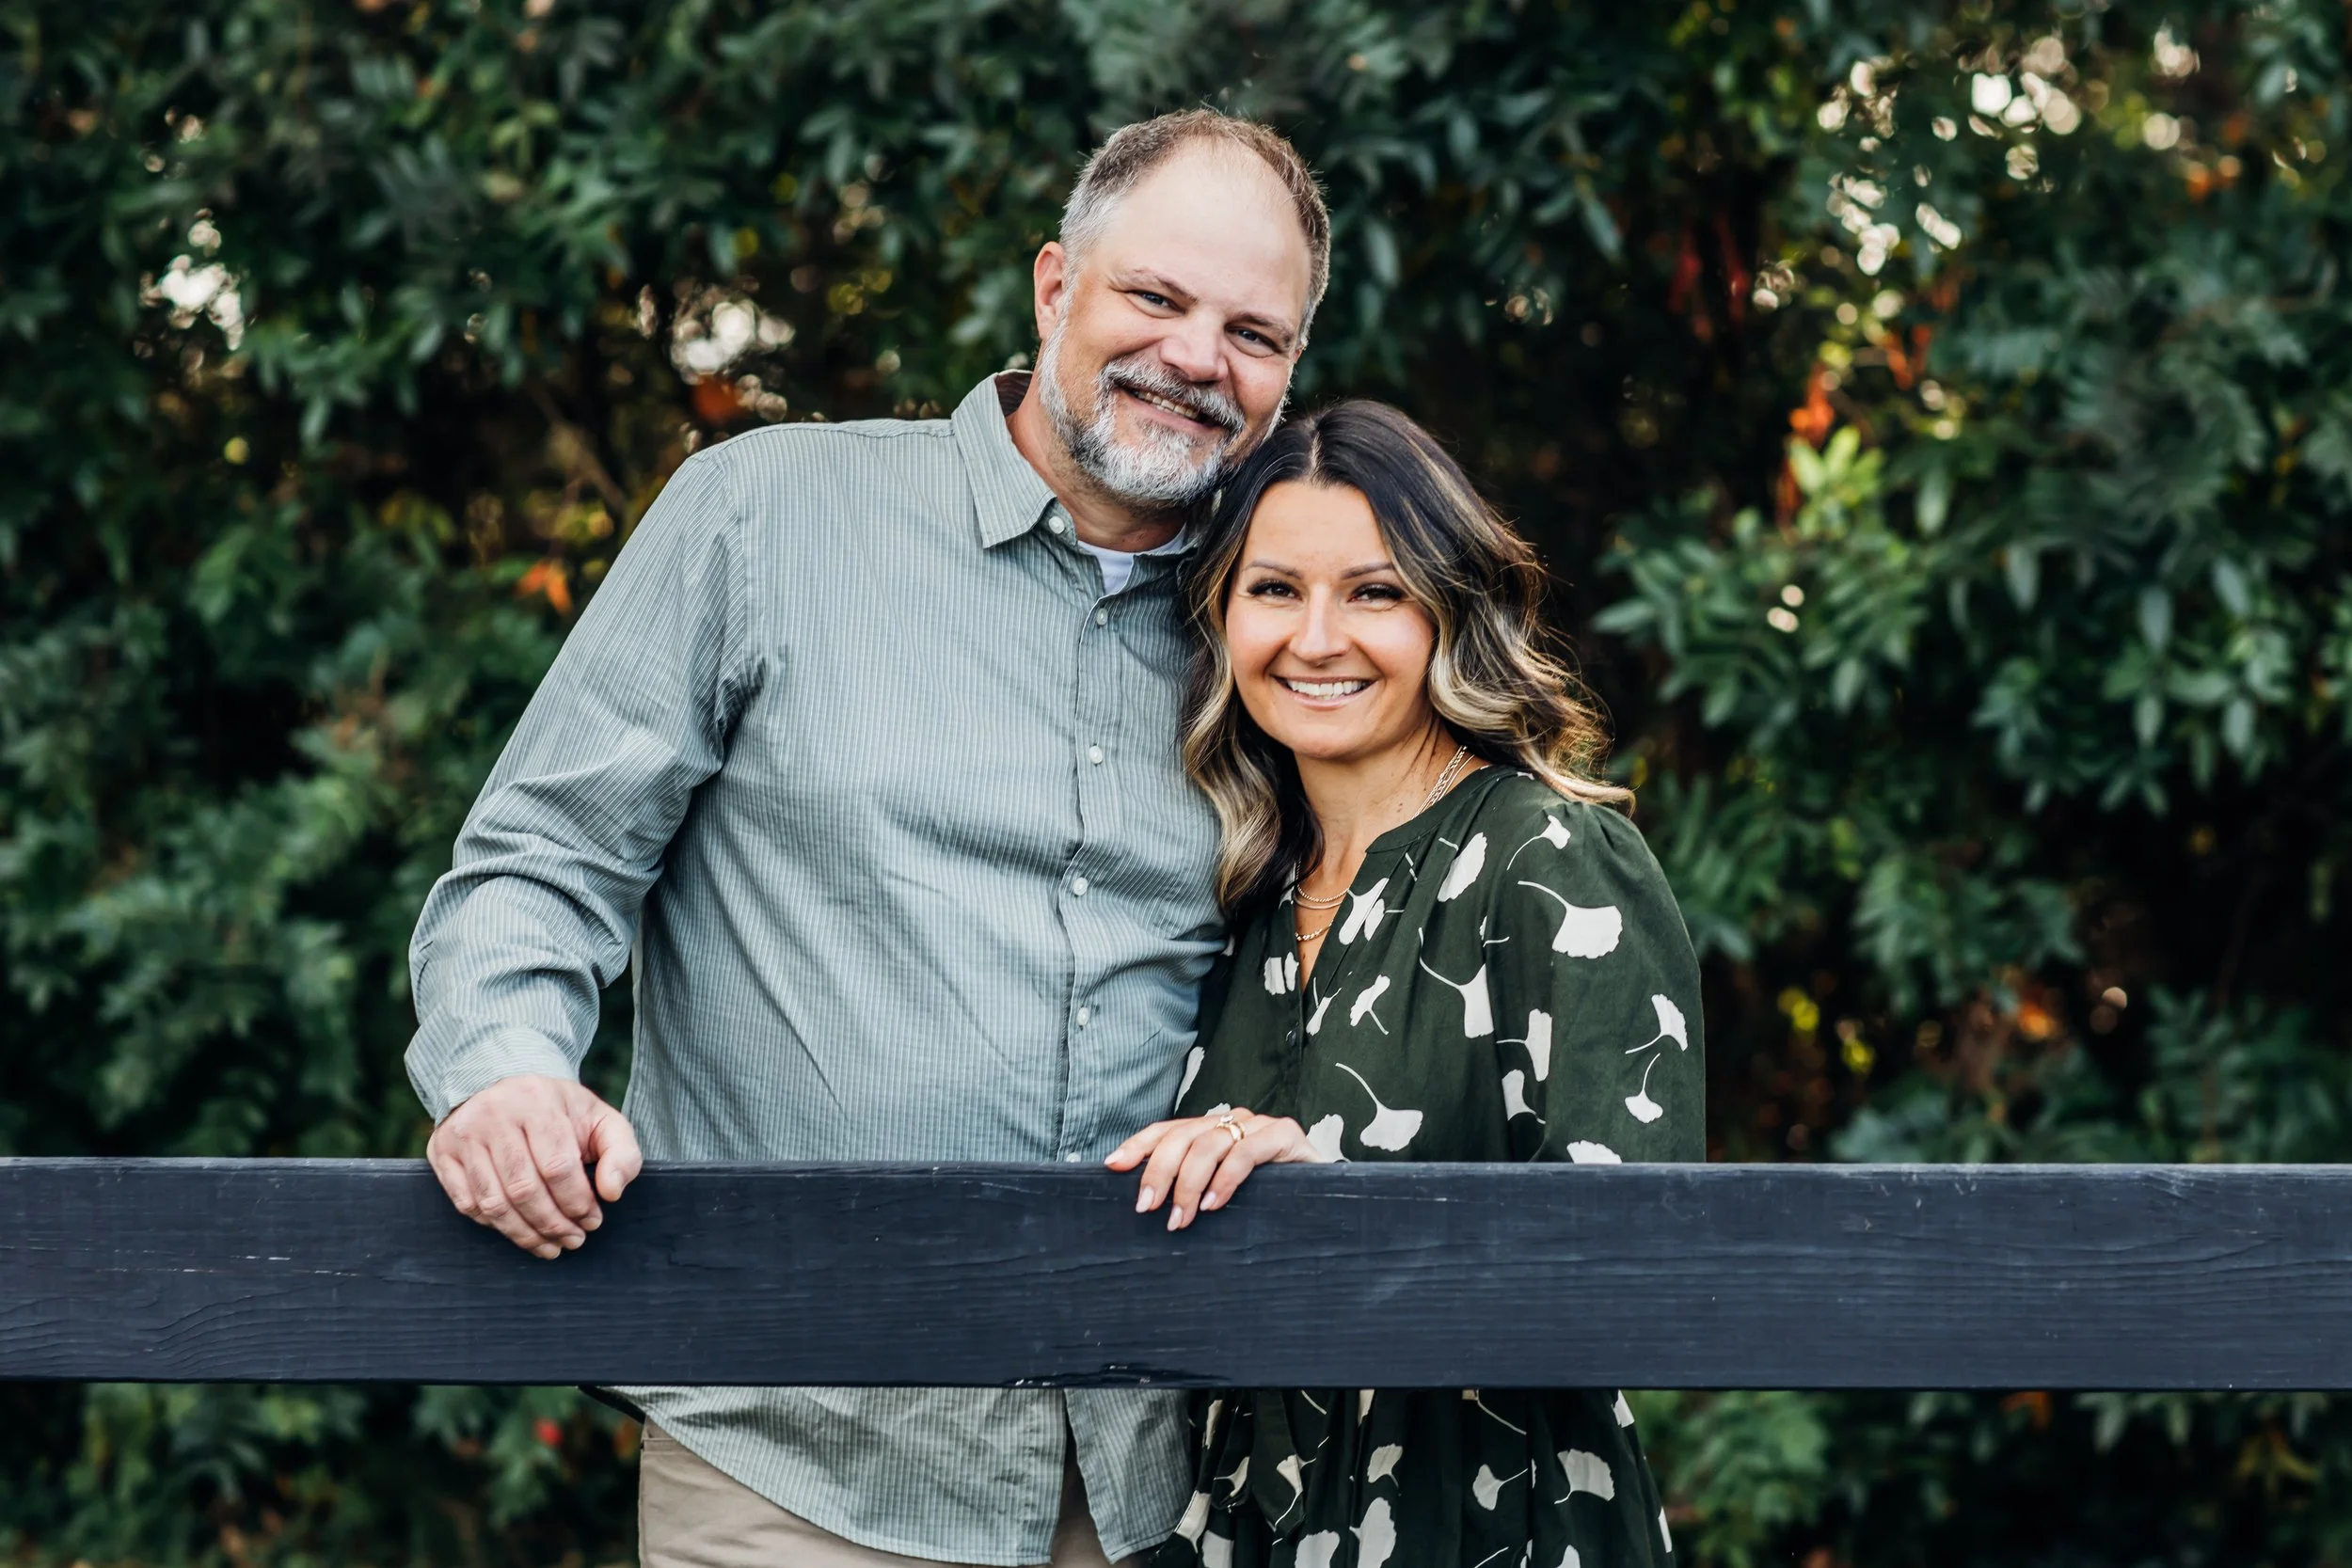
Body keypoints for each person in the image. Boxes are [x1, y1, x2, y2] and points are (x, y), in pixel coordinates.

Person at [404, 109, 1329, 1568]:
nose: (1198, 356)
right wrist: (506, 1072)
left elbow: (1368, 935)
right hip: (794, 1465)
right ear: (1054, 287)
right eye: (1157, 297)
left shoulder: (1286, 623)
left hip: (1156, 1478)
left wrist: (1311, 1116)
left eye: (1252, 331)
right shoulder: (764, 514)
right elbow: (542, 858)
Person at [1105, 401, 1702, 1567]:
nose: (1316, 637)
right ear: (1222, 615)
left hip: (1489, 1518)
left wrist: (1338, 1194)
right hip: (1247, 1524)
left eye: (1373, 591)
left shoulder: (1551, 855)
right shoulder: (1239, 895)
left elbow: (1639, 1270)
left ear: (1449, 611)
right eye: (1274, 589)